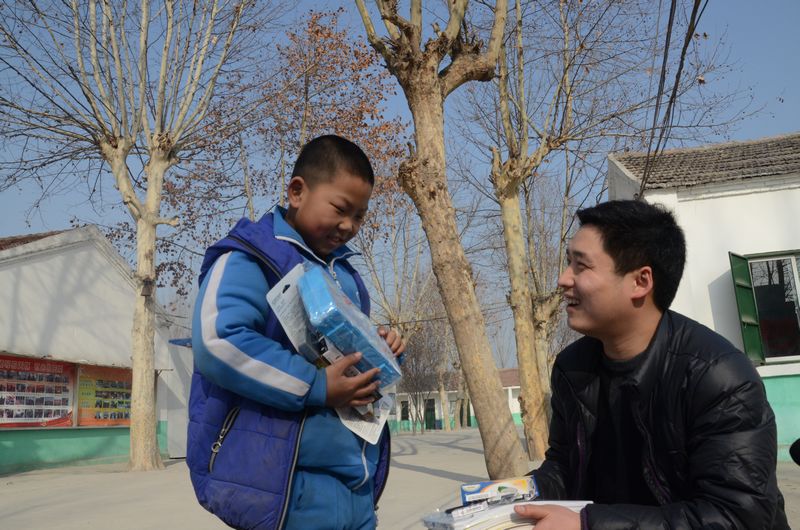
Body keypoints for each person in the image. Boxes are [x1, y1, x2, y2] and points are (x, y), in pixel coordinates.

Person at [515, 200, 789, 529]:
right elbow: (564, 466)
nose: (563, 279)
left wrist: (589, 524)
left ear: (641, 282)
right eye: (568, 262)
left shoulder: (719, 377)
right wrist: (508, 498)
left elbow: (736, 516)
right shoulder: (572, 368)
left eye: (581, 266)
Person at [187, 135, 405, 530]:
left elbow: (346, 355)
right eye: (340, 209)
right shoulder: (250, 258)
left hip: (356, 484)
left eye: (359, 216)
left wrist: (382, 350)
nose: (349, 226)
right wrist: (316, 386)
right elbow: (219, 341)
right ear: (297, 192)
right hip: (283, 487)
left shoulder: (345, 276)